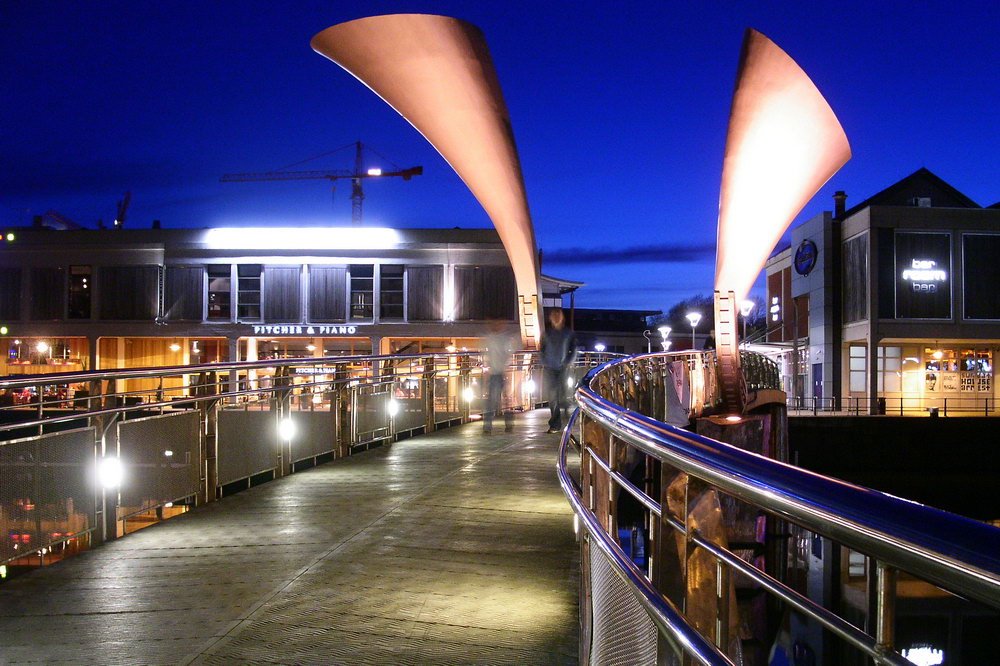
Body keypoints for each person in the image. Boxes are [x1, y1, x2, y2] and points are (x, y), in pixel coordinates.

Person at [540, 308, 577, 433]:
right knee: (552, 397)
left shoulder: (568, 333)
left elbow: (574, 349)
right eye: (553, 316)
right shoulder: (547, 333)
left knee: (564, 395)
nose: (556, 318)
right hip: (550, 368)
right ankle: (555, 424)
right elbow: (542, 349)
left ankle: (567, 417)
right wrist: (544, 361)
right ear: (550, 318)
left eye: (558, 315)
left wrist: (568, 362)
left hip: (563, 368)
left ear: (562, 317)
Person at [482, 321, 517, 433]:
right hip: (498, 372)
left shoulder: (492, 338)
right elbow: (507, 355)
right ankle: (507, 424)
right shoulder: (501, 338)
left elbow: (489, 355)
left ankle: (488, 426)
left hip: (497, 372)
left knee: (494, 400)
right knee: (504, 399)